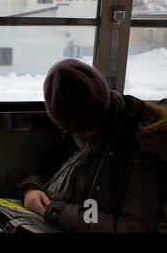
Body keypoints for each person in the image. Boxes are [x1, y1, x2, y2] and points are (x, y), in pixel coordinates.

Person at [18, 59, 167, 233]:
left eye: (82, 130)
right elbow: (51, 172)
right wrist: (31, 188)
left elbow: (135, 227)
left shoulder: (141, 146)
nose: (77, 135)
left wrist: (53, 211)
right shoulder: (78, 137)